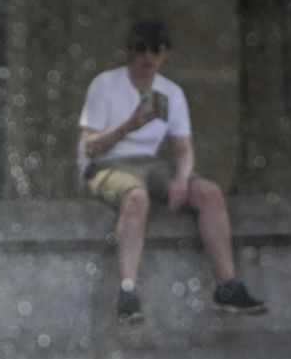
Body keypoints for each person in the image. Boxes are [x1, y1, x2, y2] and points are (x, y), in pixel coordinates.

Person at [78, 18, 268, 324]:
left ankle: (227, 286)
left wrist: (182, 177)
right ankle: (128, 291)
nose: (148, 58)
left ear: (165, 54)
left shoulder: (171, 93)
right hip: (107, 163)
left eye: (156, 50)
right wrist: (128, 127)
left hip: (150, 163)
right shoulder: (105, 84)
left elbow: (183, 147)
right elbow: (90, 147)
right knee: (137, 197)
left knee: (209, 193)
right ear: (129, 52)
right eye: (141, 50)